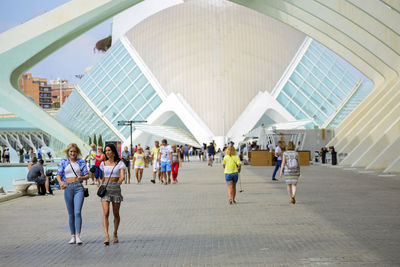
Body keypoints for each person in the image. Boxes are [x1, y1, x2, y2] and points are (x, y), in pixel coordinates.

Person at [56, 143, 89, 245]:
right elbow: (58, 174)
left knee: (77, 212)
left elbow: (87, 175)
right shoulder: (64, 162)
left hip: (78, 188)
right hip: (68, 188)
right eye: (71, 151)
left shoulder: (81, 162)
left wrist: (82, 178)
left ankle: (78, 235)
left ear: (77, 152)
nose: (73, 153)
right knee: (71, 214)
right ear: (68, 152)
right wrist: (61, 182)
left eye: (74, 151)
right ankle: (72, 236)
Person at [99, 144, 125, 245]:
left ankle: (115, 233)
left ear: (113, 152)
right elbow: (102, 177)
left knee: (116, 213)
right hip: (105, 189)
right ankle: (106, 235)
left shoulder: (120, 163)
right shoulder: (103, 164)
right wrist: (101, 185)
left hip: (115, 188)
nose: (107, 152)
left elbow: (122, 176)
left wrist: (120, 181)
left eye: (109, 150)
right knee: (106, 212)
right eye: (106, 151)